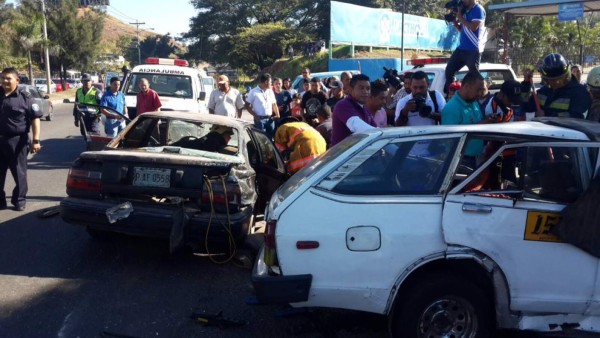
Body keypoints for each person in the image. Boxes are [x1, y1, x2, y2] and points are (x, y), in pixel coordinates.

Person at [0, 67, 42, 211]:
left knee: (19, 173)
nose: (4, 81)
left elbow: (35, 119)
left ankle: (19, 200)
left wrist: (36, 140)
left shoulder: (25, 97)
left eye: (8, 78)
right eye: (2, 78)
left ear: (17, 80)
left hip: (17, 141)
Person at [442, 71, 496, 168]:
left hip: (477, 158)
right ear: (466, 86)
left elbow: (475, 123)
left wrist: (486, 121)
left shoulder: (473, 102)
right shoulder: (452, 108)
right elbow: (450, 141)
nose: (480, 93)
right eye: (478, 89)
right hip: (461, 162)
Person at [444, 0, 486, 94]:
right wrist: (454, 22)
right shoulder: (465, 11)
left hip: (473, 49)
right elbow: (463, 30)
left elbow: (473, 27)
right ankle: (451, 94)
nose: (462, 1)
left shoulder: (478, 9)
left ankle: (478, 95)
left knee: (474, 75)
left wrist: (460, 17)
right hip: (461, 48)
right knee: (449, 70)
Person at [536, 53, 591, 119]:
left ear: (567, 75)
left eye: (560, 79)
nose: (557, 83)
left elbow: (577, 116)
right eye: (552, 80)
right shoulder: (543, 91)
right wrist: (526, 84)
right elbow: (526, 105)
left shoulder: (580, 92)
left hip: (567, 129)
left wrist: (547, 116)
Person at [331, 74, 377, 146]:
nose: (365, 92)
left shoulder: (364, 107)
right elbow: (357, 126)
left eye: (368, 88)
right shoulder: (343, 105)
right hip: (342, 155)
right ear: (351, 89)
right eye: (361, 88)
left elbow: (375, 128)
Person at [245, 73, 279, 139]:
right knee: (261, 139)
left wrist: (277, 115)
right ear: (266, 82)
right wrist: (255, 115)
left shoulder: (270, 91)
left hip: (270, 119)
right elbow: (246, 105)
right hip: (259, 120)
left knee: (271, 139)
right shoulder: (253, 92)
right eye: (270, 82)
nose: (271, 83)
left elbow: (274, 104)